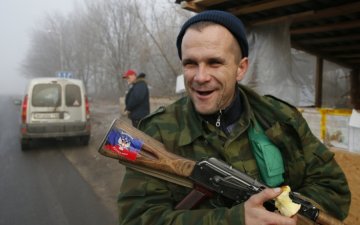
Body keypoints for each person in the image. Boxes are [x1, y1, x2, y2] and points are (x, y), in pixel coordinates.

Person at [117, 11, 350, 225]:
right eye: (190, 63)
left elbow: (334, 189)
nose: (200, 77)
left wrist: (283, 213)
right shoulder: (153, 132)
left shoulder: (281, 117)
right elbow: (136, 219)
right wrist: (233, 220)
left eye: (214, 62)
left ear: (241, 68)